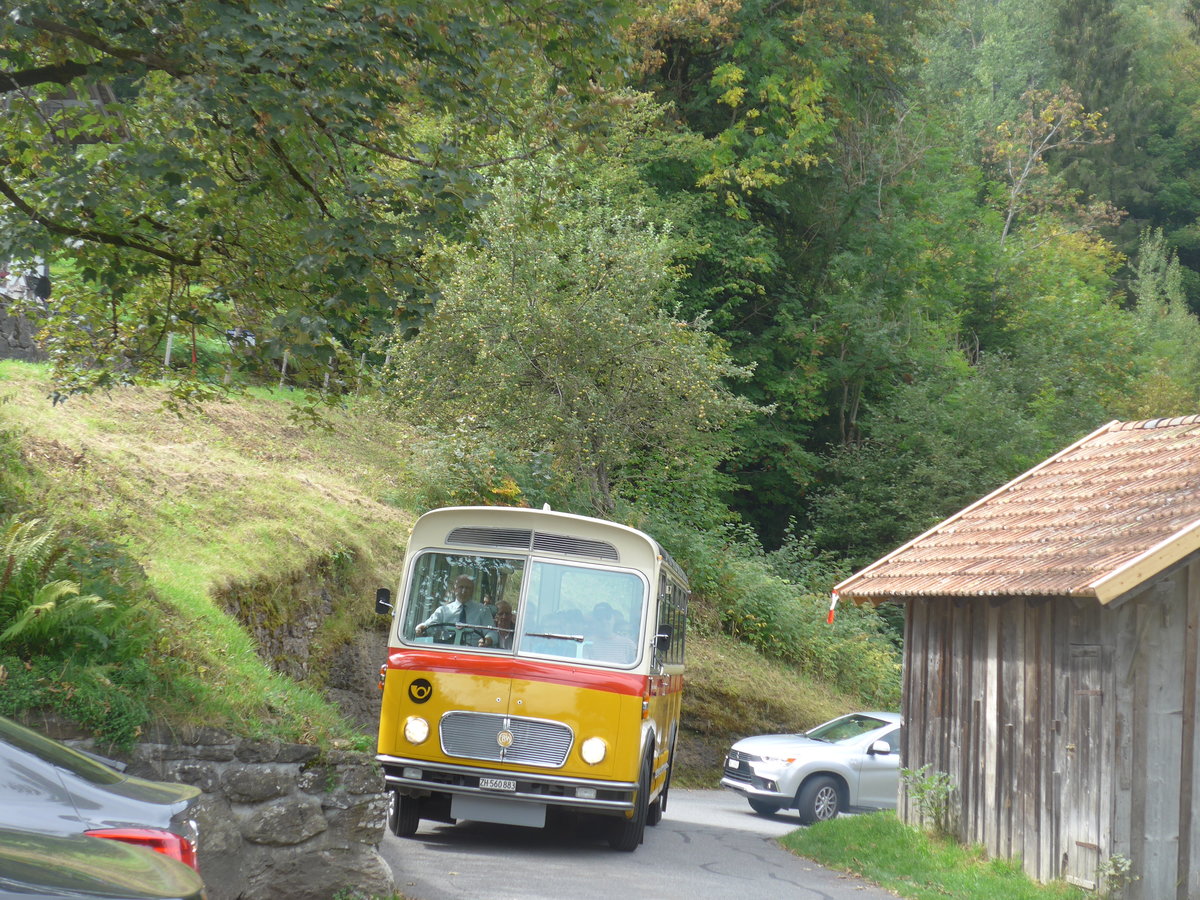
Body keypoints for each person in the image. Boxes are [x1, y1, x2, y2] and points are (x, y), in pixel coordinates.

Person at [415, 575, 494, 644]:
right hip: (449, 651)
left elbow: (491, 632)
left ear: (472, 591)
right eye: (461, 587)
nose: (464, 591)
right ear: (455, 589)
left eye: (468, 588)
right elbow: (428, 626)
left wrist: (488, 639)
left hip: (473, 652)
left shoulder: (483, 610)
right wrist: (421, 627)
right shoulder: (443, 611)